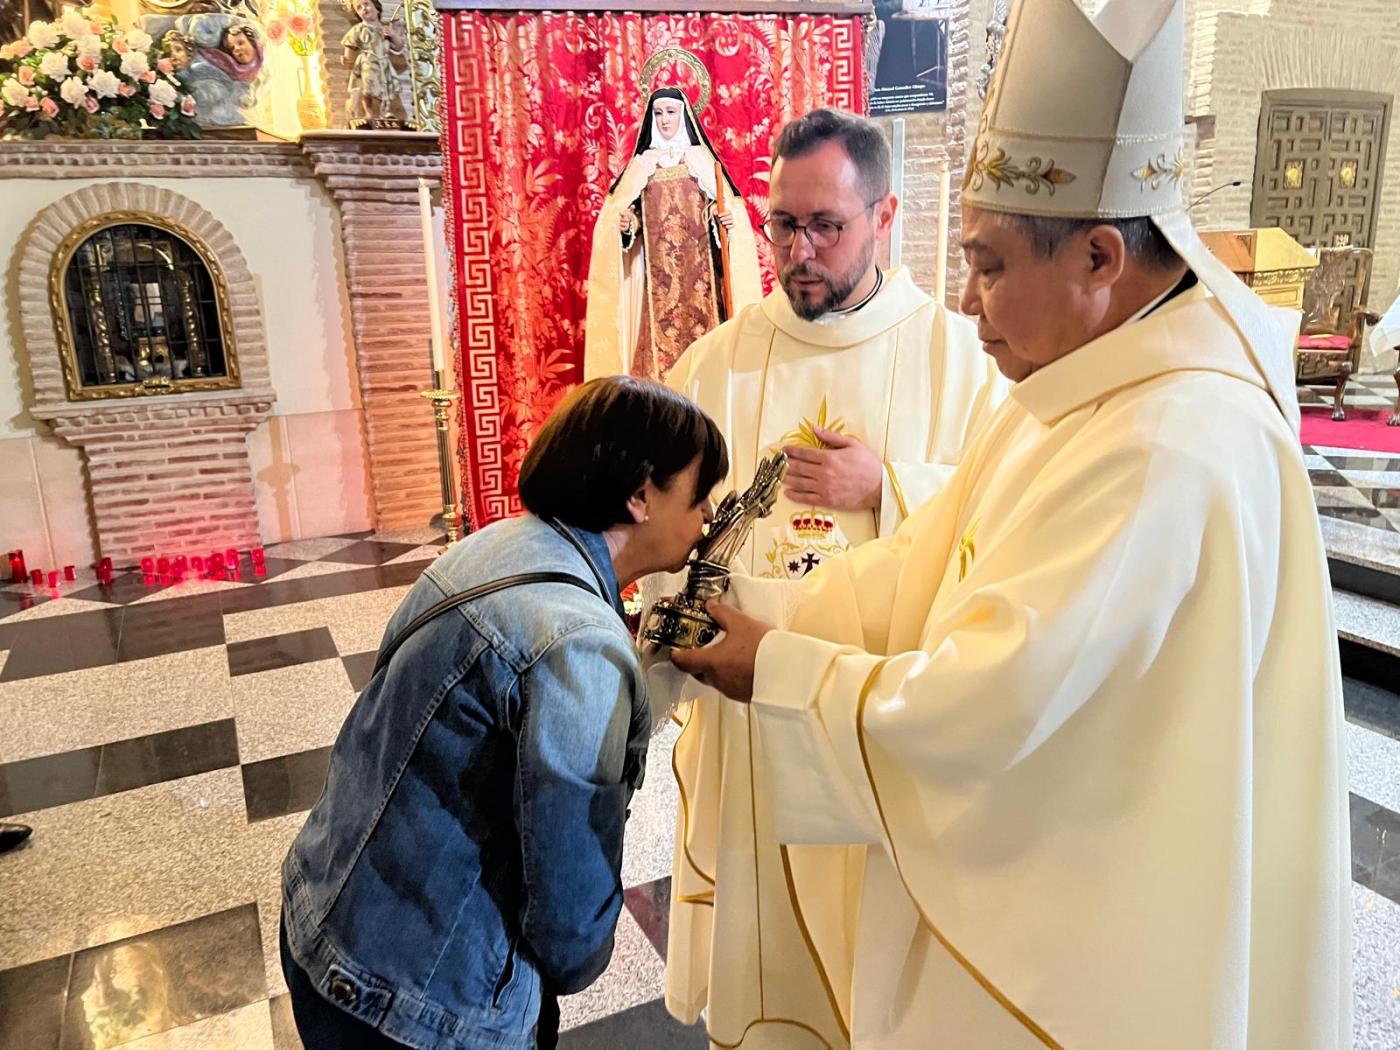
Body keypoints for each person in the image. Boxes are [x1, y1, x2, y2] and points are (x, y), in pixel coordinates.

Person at [669, 0, 1352, 1046]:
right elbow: (928, 562)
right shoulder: (1080, 380)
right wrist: (773, 612)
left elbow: (988, 703)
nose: (966, 298)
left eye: (987, 264)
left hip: (1091, 922)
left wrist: (781, 669)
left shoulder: (1168, 441)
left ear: (1096, 258)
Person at [649, 108, 1006, 1048]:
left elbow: (1009, 517)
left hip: (872, 721)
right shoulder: (718, 360)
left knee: (869, 950)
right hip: (742, 713)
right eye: (782, 225)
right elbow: (658, 525)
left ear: (884, 217)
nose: (798, 251)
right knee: (761, 935)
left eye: (826, 227)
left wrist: (888, 487)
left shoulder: (961, 357)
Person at [280, 376, 728, 1050]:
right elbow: (572, 916)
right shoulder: (577, 641)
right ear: (640, 495)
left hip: (331, 916)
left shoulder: (495, 546)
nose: (707, 521)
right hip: (422, 1002)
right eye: (700, 497)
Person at [584, 85, 763, 383]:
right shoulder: (642, 167)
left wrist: (723, 223)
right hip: (658, 284)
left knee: (707, 354)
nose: (665, 120)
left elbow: (719, 212)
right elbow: (631, 220)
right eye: (659, 113)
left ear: (684, 115)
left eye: (671, 112)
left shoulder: (702, 163)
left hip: (702, 280)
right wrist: (629, 227)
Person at [340, 0, 409, 127]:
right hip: (367, 62)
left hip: (384, 63)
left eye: (366, 4)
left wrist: (392, 35)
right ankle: (369, 112)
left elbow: (398, 47)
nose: (364, 9)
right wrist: (346, 58)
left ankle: (386, 111)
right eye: (359, 8)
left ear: (377, 8)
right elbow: (349, 46)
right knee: (366, 88)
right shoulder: (359, 29)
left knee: (386, 88)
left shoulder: (385, 29)